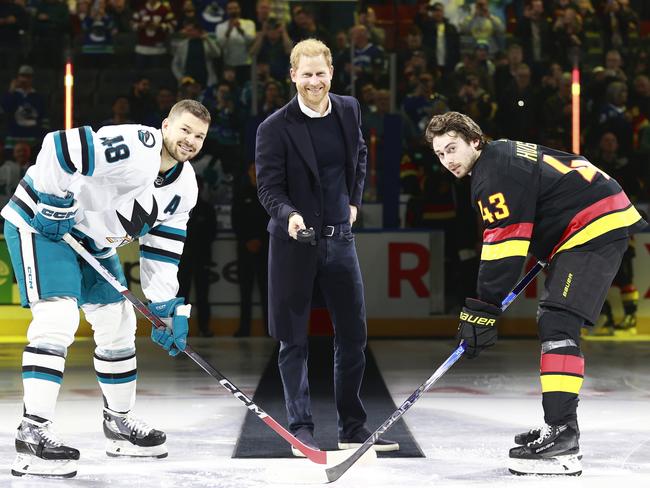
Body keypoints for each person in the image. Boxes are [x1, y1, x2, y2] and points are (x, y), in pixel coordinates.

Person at [425, 111, 647, 476]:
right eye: (440, 153)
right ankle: (558, 427)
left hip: (592, 226)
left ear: (475, 141)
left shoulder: (492, 174)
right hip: (586, 221)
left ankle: (563, 438)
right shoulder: (500, 156)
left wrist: (483, 307)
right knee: (554, 319)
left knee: (558, 321)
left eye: (453, 148)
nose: (448, 160)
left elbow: (504, 246)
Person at [1, 99, 211, 478]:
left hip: (94, 245)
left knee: (118, 324)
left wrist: (164, 309)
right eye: (184, 130)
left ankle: (119, 424)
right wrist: (52, 201)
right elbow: (60, 147)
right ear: (165, 126)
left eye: (199, 136)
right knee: (58, 318)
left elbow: (163, 250)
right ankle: (32, 432)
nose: (190, 140)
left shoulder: (185, 187)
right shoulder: (138, 146)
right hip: (41, 225)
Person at [255, 38, 398, 457]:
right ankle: (301, 429)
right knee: (292, 340)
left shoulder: (349, 108)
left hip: (340, 241)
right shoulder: (273, 128)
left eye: (320, 74)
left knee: (353, 335)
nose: (313, 81)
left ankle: (352, 429)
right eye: (306, 74)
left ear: (331, 74)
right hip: (293, 243)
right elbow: (268, 188)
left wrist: (354, 201)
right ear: (293, 75)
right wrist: (290, 215)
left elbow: (360, 155)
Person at [231, 162, 269, 337]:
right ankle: (244, 329)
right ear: (248, 172)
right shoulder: (241, 193)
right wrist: (247, 240)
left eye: (258, 169)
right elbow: (236, 221)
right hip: (245, 250)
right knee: (245, 292)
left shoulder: (269, 193)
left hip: (265, 249)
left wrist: (260, 240)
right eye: (253, 169)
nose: (255, 172)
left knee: (267, 292)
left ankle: (270, 329)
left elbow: (272, 220)